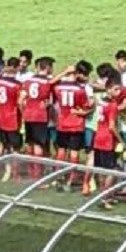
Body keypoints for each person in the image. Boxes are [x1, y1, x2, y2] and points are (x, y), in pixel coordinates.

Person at [53, 62, 93, 190]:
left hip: (62, 122)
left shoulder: (58, 87)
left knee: (61, 150)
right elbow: (87, 105)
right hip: (76, 123)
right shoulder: (80, 90)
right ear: (76, 75)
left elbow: (52, 85)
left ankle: (58, 176)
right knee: (74, 152)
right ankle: (71, 178)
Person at [88, 76, 125, 205]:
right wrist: (121, 141)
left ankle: (103, 196)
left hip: (98, 137)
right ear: (108, 89)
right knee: (112, 169)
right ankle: (105, 197)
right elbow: (111, 126)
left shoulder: (100, 101)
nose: (118, 92)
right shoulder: (113, 105)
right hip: (108, 140)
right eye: (116, 89)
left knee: (101, 169)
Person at [20, 58, 57, 176]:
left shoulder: (28, 80)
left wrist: (23, 113)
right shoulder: (47, 81)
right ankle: (38, 174)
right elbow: (54, 82)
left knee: (30, 143)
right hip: (39, 116)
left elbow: (20, 100)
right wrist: (66, 71)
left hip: (28, 115)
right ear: (47, 68)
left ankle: (30, 171)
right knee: (38, 145)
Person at [0, 60, 24, 179]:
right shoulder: (18, 85)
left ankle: (0, 170)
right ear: (15, 68)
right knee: (15, 148)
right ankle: (15, 173)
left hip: (0, 117)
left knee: (3, 145)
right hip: (12, 120)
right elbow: (20, 102)